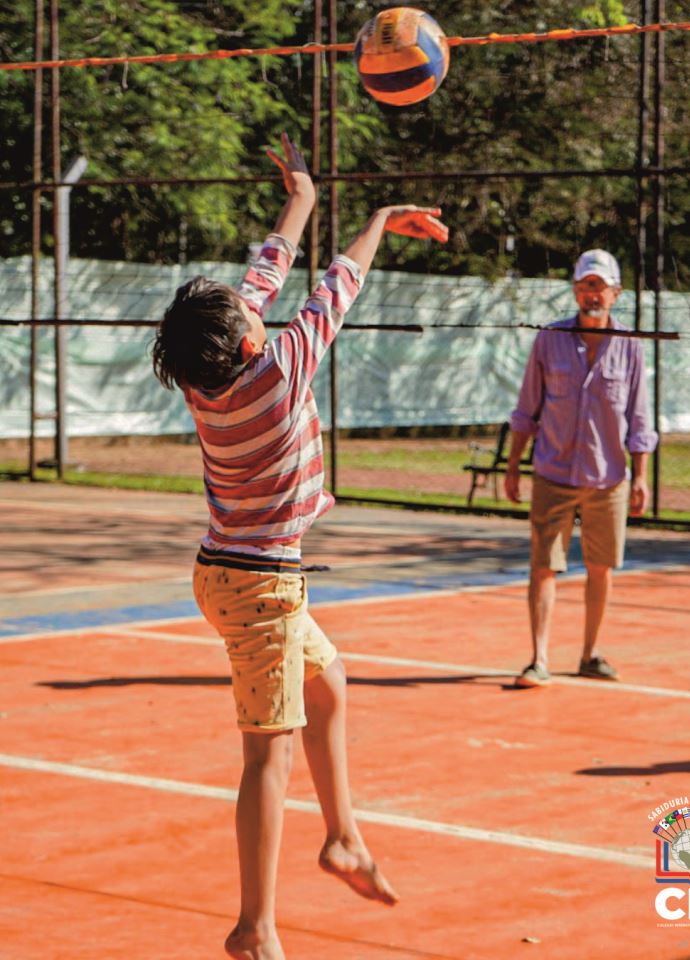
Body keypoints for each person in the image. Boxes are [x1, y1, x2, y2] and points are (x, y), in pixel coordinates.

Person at [152, 132, 449, 960]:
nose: (258, 302)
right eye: (250, 311)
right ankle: (255, 927)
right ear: (249, 341)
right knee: (266, 757)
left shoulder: (211, 382)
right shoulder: (279, 375)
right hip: (261, 589)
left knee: (330, 687)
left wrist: (305, 197)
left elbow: (266, 275)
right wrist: (380, 219)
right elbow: (334, 289)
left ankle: (344, 838)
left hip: (231, 574)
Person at [504, 248, 658, 689]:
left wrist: (642, 475)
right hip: (553, 471)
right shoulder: (549, 339)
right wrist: (514, 468)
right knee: (543, 566)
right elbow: (525, 409)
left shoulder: (630, 345)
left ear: (616, 293)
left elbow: (640, 417)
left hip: (608, 477)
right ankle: (539, 659)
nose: (593, 294)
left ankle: (590, 653)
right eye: (586, 285)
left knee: (601, 566)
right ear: (576, 290)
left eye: (601, 286)